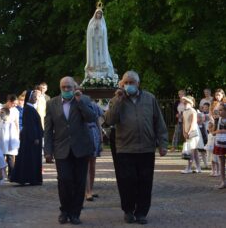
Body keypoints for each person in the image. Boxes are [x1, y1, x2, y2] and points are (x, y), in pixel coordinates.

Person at [104, 70, 168, 225]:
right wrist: (118, 100)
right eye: (126, 82)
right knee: (127, 181)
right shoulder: (116, 99)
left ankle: (141, 213)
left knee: (145, 182)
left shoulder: (149, 98)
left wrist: (163, 143)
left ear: (138, 84)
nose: (128, 85)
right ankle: (128, 210)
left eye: (131, 82)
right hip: (124, 148)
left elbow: (159, 122)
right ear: (121, 84)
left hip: (146, 148)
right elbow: (109, 120)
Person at [44, 76, 95, 225]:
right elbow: (48, 129)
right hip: (61, 148)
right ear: (60, 88)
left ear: (75, 88)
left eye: (69, 87)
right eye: (63, 87)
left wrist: (79, 103)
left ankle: (75, 213)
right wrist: (48, 150)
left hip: (81, 148)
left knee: (79, 182)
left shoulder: (83, 100)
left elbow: (91, 118)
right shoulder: (52, 103)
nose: (66, 90)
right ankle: (64, 210)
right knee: (64, 180)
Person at [11, 90, 43, 186]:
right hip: (31, 139)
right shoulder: (29, 109)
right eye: (34, 97)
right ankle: (31, 178)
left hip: (31, 138)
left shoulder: (30, 108)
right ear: (29, 98)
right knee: (30, 158)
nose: (36, 98)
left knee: (31, 158)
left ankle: (32, 178)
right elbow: (30, 125)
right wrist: (35, 137)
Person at [84, 4, 117, 80]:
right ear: (95, 14)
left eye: (100, 14)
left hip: (101, 43)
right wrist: (94, 28)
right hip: (94, 42)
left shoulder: (102, 23)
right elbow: (89, 32)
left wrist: (100, 29)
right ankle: (94, 67)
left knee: (101, 55)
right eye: (98, 13)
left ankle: (102, 67)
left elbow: (104, 33)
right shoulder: (91, 22)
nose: (99, 15)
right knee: (94, 55)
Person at [180, 96, 204, 174]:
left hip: (193, 131)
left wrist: (189, 132)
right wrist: (184, 132)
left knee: (191, 150)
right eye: (184, 102)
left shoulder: (193, 111)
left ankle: (189, 168)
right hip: (187, 132)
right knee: (195, 150)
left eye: (186, 102)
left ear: (191, 103)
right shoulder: (184, 111)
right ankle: (198, 168)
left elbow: (193, 123)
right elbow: (184, 123)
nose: (185, 103)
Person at [85, 100, 103, 202]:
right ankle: (87, 191)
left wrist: (100, 136)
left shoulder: (93, 105)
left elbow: (98, 121)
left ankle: (90, 189)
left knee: (93, 164)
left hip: (94, 133)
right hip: (84, 133)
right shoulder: (78, 103)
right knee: (86, 164)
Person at [0, 107, 20, 180]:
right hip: (0, 144)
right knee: (0, 160)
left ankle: (11, 175)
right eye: (0, 112)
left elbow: (13, 134)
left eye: (2, 112)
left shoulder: (11, 123)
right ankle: (1, 174)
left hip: (9, 145)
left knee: (10, 161)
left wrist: (13, 146)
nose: (0, 114)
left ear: (7, 113)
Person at [213, 103, 226, 189]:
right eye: (219, 110)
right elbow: (215, 129)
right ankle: (223, 181)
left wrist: (220, 131)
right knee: (222, 162)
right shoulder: (219, 119)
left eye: (221, 110)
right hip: (221, 142)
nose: (219, 112)